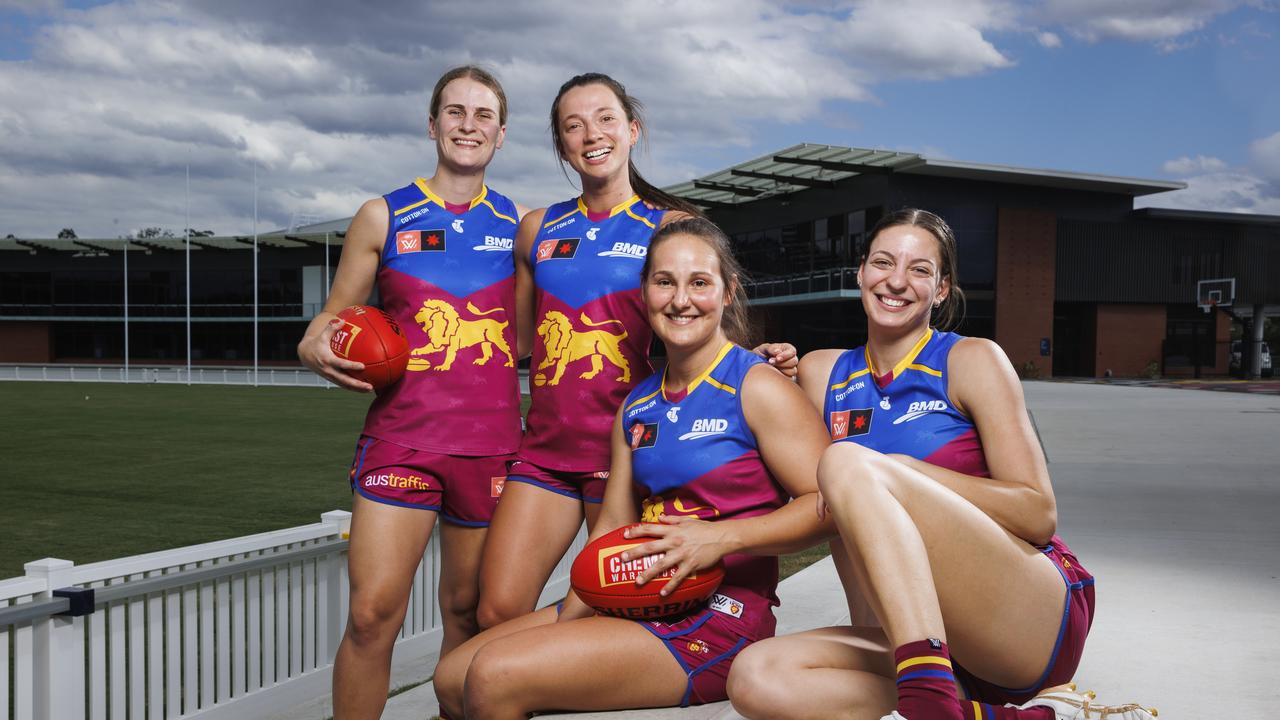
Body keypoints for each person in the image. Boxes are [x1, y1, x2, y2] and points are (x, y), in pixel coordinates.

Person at [726, 209, 1156, 720]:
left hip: (1023, 618)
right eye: (883, 262)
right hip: (912, 641)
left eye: (920, 270)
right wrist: (759, 380)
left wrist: (902, 472)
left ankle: (931, 700)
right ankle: (1009, 714)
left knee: (847, 462)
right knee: (756, 677)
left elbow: (1038, 513)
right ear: (860, 272)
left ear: (943, 289)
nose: (897, 281)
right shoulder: (821, 372)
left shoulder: (972, 360)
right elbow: (797, 497)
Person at [434, 216, 830, 718]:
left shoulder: (759, 386)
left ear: (728, 293)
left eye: (699, 283)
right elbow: (615, 526)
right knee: (451, 678)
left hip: (719, 615)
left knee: (495, 675)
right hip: (637, 595)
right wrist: (571, 617)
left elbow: (828, 506)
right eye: (665, 282)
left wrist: (721, 538)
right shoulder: (637, 405)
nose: (681, 299)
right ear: (644, 293)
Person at [475, 72, 796, 630]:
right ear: (561, 145)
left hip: (627, 452)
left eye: (605, 118)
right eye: (572, 126)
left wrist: (760, 359)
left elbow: (699, 322)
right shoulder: (537, 229)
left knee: (605, 614)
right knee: (497, 609)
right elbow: (517, 341)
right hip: (547, 451)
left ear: (632, 129)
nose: (590, 133)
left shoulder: (669, 225)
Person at [296, 66, 527, 719]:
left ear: (501, 134)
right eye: (455, 112)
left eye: (482, 115)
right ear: (433, 125)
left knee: (467, 612)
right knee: (372, 616)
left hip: (490, 449)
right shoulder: (383, 215)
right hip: (401, 442)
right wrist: (311, 338)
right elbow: (334, 317)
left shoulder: (522, 226)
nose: (468, 125)